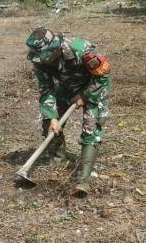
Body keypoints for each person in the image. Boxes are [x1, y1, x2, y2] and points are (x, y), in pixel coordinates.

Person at [27, 27, 111, 197]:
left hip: (92, 87)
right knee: (48, 120)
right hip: (67, 87)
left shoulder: (80, 50)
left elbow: (103, 76)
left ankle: (83, 179)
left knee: (91, 127)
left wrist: (84, 95)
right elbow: (46, 88)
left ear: (56, 49)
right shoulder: (38, 59)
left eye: (47, 58)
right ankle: (59, 160)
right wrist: (51, 117)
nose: (43, 61)